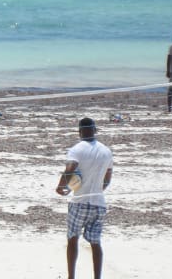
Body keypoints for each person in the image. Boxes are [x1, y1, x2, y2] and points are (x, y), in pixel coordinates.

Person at [55, 117, 113, 279]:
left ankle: (71, 277)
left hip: (79, 202)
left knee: (72, 239)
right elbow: (107, 178)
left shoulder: (76, 149)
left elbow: (70, 169)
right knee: (96, 242)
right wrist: (98, 190)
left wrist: (60, 186)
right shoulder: (106, 151)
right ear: (95, 130)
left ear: (79, 132)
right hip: (99, 203)